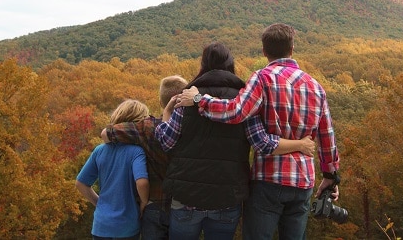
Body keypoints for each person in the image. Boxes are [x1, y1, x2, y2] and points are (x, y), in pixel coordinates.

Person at [176, 24, 340, 240]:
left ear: (264, 51)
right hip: (303, 181)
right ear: (292, 49)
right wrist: (330, 175)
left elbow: (235, 112)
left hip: (268, 180)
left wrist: (199, 99)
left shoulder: (262, 78)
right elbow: (327, 136)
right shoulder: (316, 86)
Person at [155, 42, 315, 240]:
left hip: (186, 199)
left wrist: (166, 113)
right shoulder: (243, 101)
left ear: (203, 65)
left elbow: (166, 142)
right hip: (227, 199)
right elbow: (262, 143)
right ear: (231, 65)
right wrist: (300, 144)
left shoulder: (187, 98)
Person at [101, 75, 188, 240]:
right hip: (183, 206)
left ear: (162, 102)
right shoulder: (193, 128)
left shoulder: (146, 128)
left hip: (154, 205)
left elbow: (106, 134)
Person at [76, 99, 151, 240]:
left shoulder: (99, 150)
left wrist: (99, 203)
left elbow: (81, 183)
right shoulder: (136, 152)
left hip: (101, 225)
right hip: (126, 226)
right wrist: (143, 203)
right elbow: (142, 183)